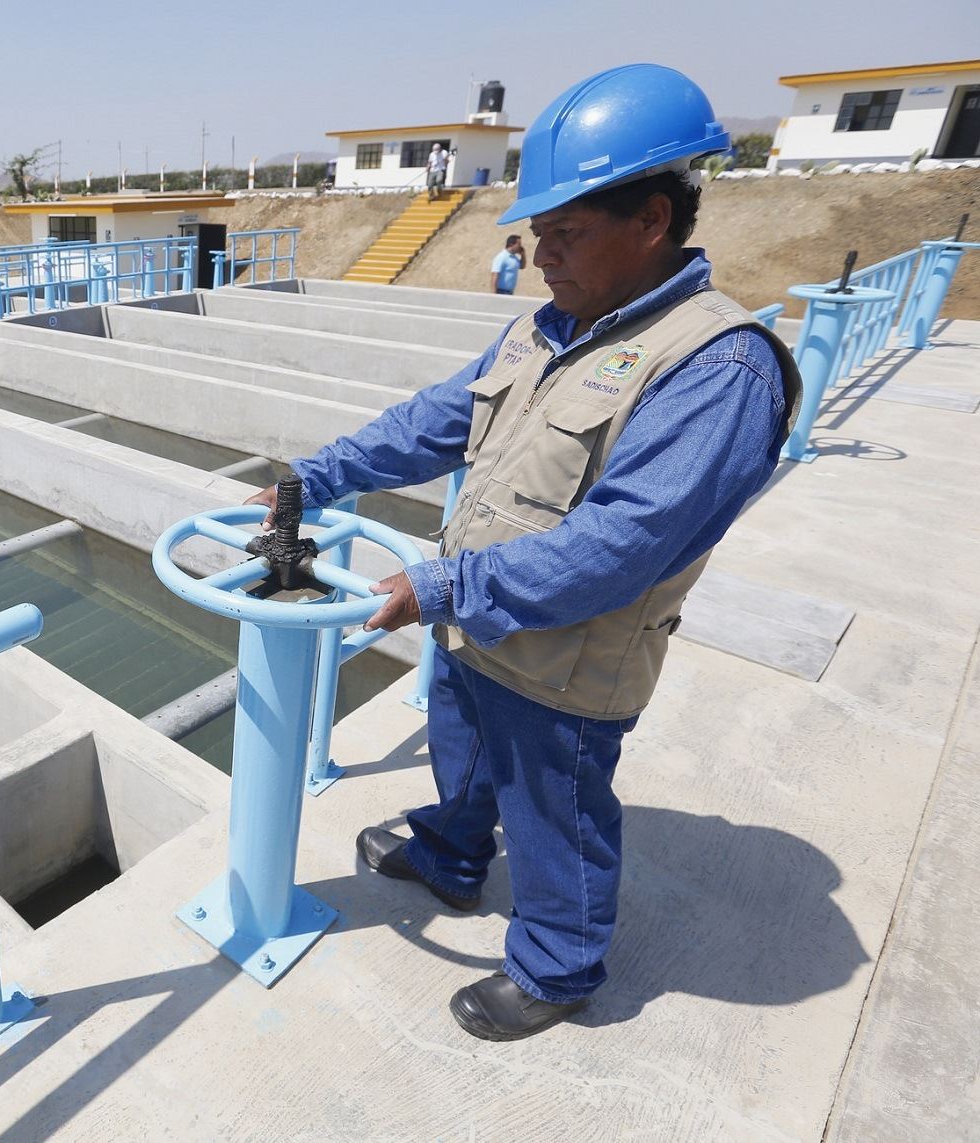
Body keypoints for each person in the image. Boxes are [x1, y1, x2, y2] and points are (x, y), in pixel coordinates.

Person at [246, 63, 801, 1042]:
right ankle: (452, 857)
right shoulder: (551, 328)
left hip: (569, 662)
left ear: (654, 221)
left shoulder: (717, 366)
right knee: (462, 754)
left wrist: (441, 584)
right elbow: (434, 423)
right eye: (537, 235)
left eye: (566, 234)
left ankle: (558, 970)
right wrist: (317, 476)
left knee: (554, 812)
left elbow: (619, 547)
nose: (542, 256)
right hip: (477, 621)